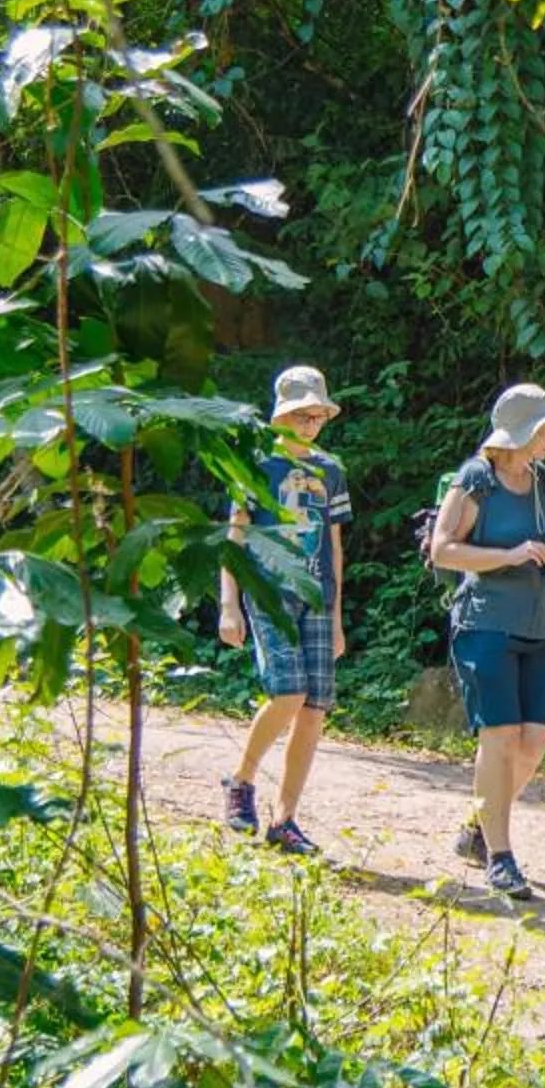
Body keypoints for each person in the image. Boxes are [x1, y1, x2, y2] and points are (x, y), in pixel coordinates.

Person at [428, 381, 545, 900]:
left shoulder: (543, 479)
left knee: (534, 743)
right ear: (523, 432)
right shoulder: (478, 478)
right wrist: (511, 555)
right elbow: (443, 551)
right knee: (501, 738)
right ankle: (501, 855)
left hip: (541, 624)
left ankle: (478, 824)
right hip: (486, 623)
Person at [217, 365, 350, 856]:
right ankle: (240, 780)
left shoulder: (330, 469)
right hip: (269, 589)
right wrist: (229, 605)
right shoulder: (254, 463)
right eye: (302, 414)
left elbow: (334, 547)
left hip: (317, 597)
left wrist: (336, 618)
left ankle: (285, 819)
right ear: (283, 414)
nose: (310, 423)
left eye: (318, 415)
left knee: (315, 709)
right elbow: (236, 534)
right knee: (288, 693)